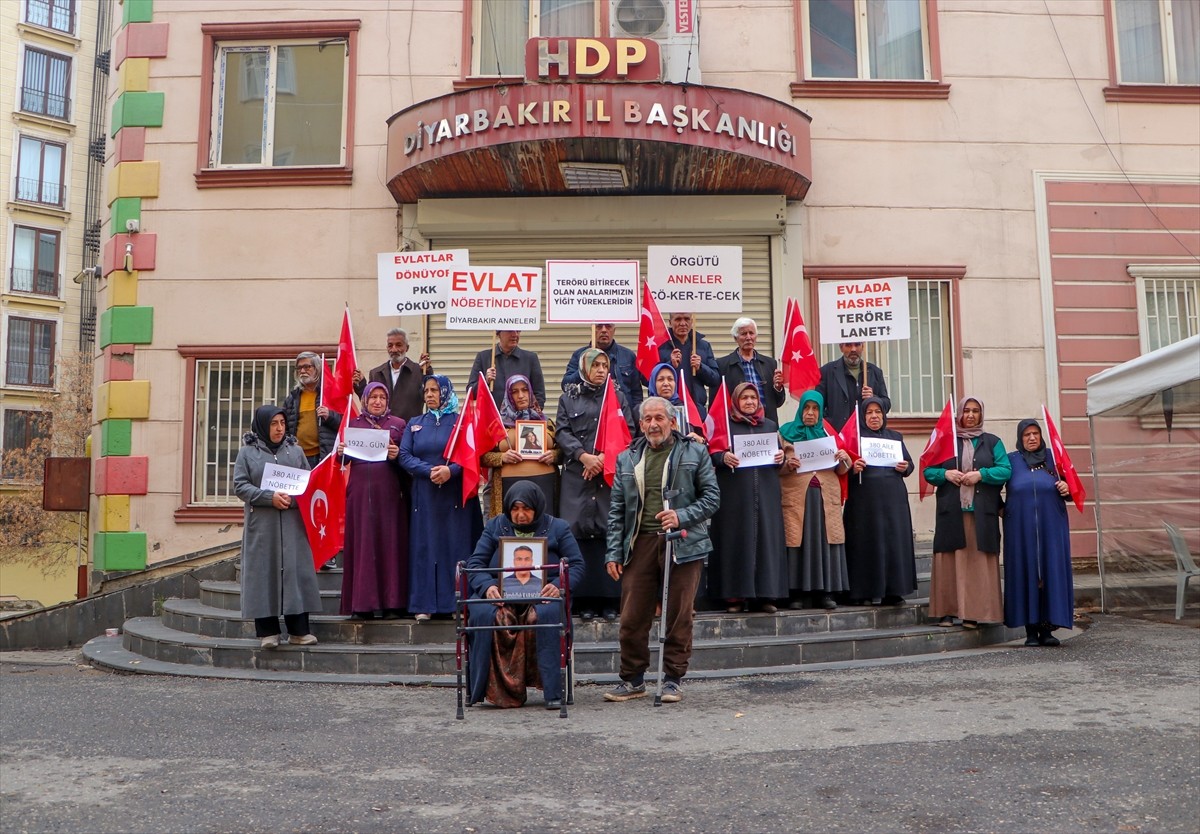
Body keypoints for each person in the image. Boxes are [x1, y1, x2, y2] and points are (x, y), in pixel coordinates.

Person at [603, 397, 721, 704]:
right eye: (647, 419)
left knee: (679, 614)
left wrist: (681, 515)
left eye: (659, 418)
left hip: (683, 542)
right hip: (639, 543)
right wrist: (613, 552)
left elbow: (712, 498)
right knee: (632, 616)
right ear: (640, 424)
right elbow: (617, 509)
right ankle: (632, 680)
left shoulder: (695, 451)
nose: (653, 424)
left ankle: (672, 679)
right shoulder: (627, 458)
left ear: (672, 422)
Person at [466, 481, 585, 709]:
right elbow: (476, 563)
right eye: (515, 509)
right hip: (500, 593)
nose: (520, 515)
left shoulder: (557, 527)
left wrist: (559, 585)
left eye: (527, 509)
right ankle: (501, 691)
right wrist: (487, 586)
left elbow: (577, 564)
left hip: (542, 593)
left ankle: (551, 690)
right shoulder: (495, 526)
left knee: (542, 615)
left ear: (538, 507)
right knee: (490, 616)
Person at [232, 405, 322, 648]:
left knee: (295, 572)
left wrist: (294, 500)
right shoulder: (247, 454)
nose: (279, 428)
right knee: (263, 572)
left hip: (293, 524)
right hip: (262, 525)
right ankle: (268, 632)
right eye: (273, 423)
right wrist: (268, 497)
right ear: (262, 425)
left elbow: (308, 484)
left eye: (282, 423)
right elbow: (240, 486)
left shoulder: (295, 452)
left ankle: (299, 631)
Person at [555, 348, 634, 622]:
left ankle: (609, 599)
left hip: (608, 475)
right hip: (578, 477)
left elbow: (629, 431)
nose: (601, 369)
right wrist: (584, 456)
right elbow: (561, 432)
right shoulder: (569, 398)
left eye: (605, 365)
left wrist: (603, 458)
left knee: (607, 532)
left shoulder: (618, 397)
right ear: (584, 368)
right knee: (578, 534)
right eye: (596, 365)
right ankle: (583, 600)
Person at [399, 375, 484, 620]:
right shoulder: (415, 422)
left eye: (434, 390)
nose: (429, 395)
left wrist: (450, 471)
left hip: (454, 496)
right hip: (424, 495)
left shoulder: (461, 422)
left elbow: (471, 454)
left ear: (445, 392)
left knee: (453, 546)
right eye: (426, 390)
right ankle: (423, 604)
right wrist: (429, 471)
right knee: (425, 546)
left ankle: (454, 604)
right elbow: (404, 455)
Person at [923, 396, 1011, 628]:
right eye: (966, 411)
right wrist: (946, 475)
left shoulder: (993, 442)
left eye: (975, 411)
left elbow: (1005, 470)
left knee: (976, 563)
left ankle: (972, 613)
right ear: (959, 414)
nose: (970, 415)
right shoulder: (945, 440)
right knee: (948, 561)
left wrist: (981, 475)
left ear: (981, 414)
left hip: (981, 514)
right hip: (951, 512)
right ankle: (946, 612)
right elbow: (928, 470)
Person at [708, 383, 789, 613]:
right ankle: (735, 597)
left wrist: (781, 456)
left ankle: (766, 595)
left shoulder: (770, 425)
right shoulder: (726, 424)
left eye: (754, 397)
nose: (750, 402)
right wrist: (723, 457)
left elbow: (779, 456)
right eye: (745, 398)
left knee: (766, 540)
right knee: (736, 541)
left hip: (766, 492)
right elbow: (711, 453)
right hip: (735, 495)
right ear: (736, 401)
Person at [337, 382, 408, 619]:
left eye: (382, 398)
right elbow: (342, 463)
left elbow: (408, 460)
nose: (377, 401)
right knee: (362, 545)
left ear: (388, 402)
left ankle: (392, 604)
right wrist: (340, 452)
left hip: (388, 495)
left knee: (389, 545)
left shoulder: (398, 425)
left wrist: (398, 455)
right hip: (358, 495)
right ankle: (362, 605)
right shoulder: (353, 425)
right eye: (373, 397)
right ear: (365, 400)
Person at [778, 390, 852, 610]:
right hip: (797, 499)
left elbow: (841, 470)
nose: (810, 413)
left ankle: (825, 593)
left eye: (815, 409)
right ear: (800, 409)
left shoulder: (828, 436)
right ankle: (796, 594)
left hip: (824, 500)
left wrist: (844, 458)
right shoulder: (784, 434)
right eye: (807, 408)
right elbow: (773, 467)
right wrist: (786, 465)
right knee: (796, 540)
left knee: (826, 541)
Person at [1003, 419, 1074, 647]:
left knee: (1050, 570)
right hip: (1020, 529)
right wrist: (1005, 511)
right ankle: (1030, 630)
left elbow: (1073, 488)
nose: (1032, 438)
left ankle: (1048, 629)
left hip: (1051, 526)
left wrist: (1066, 488)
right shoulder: (1011, 460)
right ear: (1020, 438)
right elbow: (992, 487)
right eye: (1026, 435)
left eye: (1035, 433)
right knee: (1025, 572)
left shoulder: (1054, 458)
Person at [843, 397, 917, 606]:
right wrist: (852, 467)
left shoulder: (894, 437)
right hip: (864, 502)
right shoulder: (855, 437)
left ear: (884, 415)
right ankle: (864, 592)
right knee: (866, 543)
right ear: (863, 416)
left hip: (894, 501)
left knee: (894, 543)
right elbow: (841, 468)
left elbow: (910, 464)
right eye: (869, 413)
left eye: (878, 412)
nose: (874, 416)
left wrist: (906, 467)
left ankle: (894, 591)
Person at [479, 374, 559, 519]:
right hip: (508, 487)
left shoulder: (547, 422)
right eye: (515, 392)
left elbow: (564, 452)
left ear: (530, 392)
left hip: (545, 485)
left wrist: (553, 455)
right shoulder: (497, 426)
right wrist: (502, 457)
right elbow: (482, 457)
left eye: (524, 390)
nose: (521, 395)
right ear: (508, 395)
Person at [715, 317, 786, 425]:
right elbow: (717, 404)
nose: (748, 337)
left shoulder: (770, 364)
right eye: (743, 334)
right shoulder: (722, 365)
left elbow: (778, 402)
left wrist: (778, 388)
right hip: (737, 425)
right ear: (735, 338)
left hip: (766, 424)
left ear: (756, 336)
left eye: (751, 333)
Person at [561, 323, 642, 417]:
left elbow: (636, 393)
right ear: (592, 330)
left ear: (614, 330)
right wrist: (585, 368)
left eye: (608, 326)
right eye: (599, 326)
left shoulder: (628, 355)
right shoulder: (580, 355)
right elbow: (566, 385)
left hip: (622, 417)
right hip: (589, 418)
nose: (604, 330)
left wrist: (634, 418)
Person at [352, 327, 431, 421]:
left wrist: (427, 372)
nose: (394, 349)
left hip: (409, 431)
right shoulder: (376, 373)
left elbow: (428, 398)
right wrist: (361, 385)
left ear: (407, 348)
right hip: (382, 430)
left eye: (398, 345)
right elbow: (370, 402)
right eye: (390, 345)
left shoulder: (419, 372)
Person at [815, 341, 891, 432]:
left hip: (867, 434)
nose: (853, 349)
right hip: (837, 434)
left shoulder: (875, 372)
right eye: (848, 345)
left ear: (863, 346)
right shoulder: (827, 371)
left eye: (857, 344)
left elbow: (886, 404)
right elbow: (818, 405)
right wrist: (830, 423)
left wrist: (873, 398)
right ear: (841, 347)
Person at [283, 352, 342, 467]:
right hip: (297, 457)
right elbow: (285, 427)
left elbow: (345, 424)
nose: (302, 371)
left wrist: (329, 416)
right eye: (299, 368)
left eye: (307, 367)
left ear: (317, 369)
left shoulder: (329, 394)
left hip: (323, 456)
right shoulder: (292, 398)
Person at [658, 312, 720, 412]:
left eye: (686, 319)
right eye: (678, 319)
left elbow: (715, 380)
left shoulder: (703, 346)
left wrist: (701, 367)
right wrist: (670, 365)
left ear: (692, 322)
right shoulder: (659, 345)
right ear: (670, 322)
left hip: (696, 409)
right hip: (667, 409)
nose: (683, 323)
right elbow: (647, 379)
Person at [467, 330, 545, 407]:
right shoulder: (484, 357)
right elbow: (470, 393)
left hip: (521, 418)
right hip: (492, 418)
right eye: (510, 331)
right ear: (498, 333)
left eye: (518, 331)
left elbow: (539, 395)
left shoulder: (530, 358)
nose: (515, 335)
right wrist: (485, 381)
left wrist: (530, 415)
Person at [647, 362, 704, 439]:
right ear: (653, 383)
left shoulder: (687, 409)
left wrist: (699, 440)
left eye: (670, 379)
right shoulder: (645, 411)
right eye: (661, 379)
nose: (666, 383)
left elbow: (704, 442)